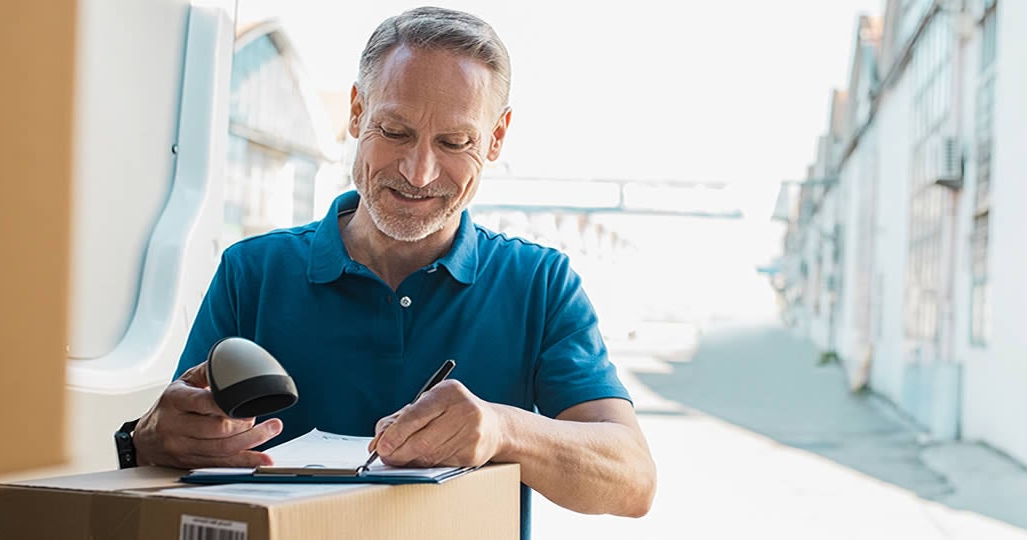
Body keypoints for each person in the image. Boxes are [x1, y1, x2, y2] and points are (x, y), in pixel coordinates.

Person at [125, 6, 656, 535]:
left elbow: (631, 480)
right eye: (396, 131)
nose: (418, 172)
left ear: (496, 138)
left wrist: (503, 430)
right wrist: (146, 440)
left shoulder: (540, 283)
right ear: (357, 112)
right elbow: (174, 439)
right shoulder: (252, 272)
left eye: (455, 142)